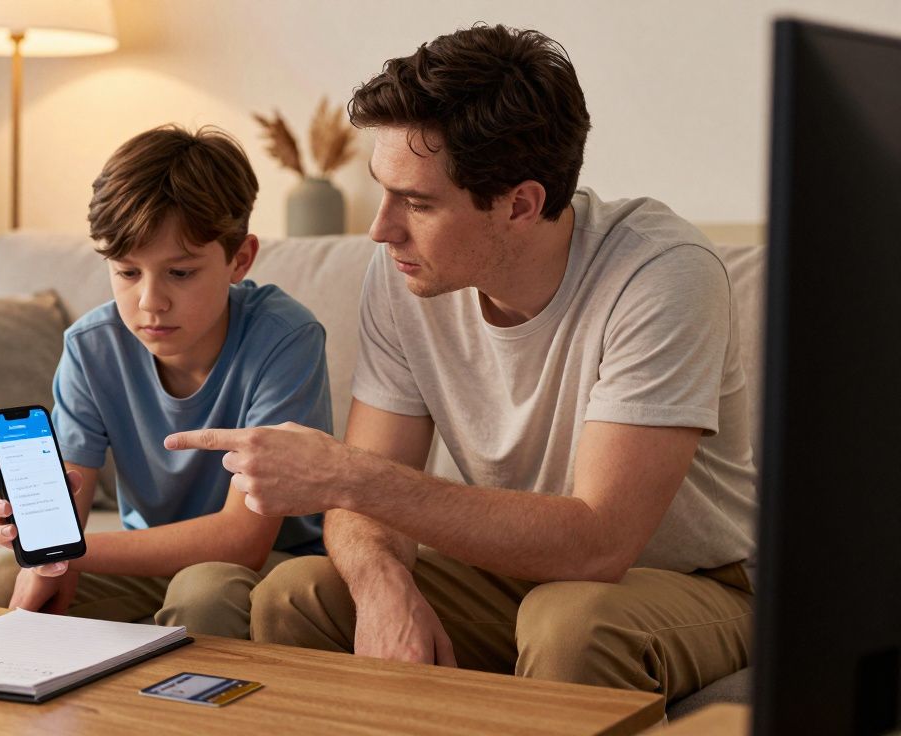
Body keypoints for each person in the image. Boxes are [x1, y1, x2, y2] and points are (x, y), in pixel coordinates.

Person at [165, 25, 757, 704]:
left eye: (417, 203)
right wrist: (383, 584)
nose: (380, 229)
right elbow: (362, 508)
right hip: (503, 572)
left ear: (520, 204)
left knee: (571, 622)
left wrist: (350, 476)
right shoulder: (403, 274)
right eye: (383, 191)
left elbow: (598, 544)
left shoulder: (660, 274)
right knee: (299, 593)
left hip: (689, 583)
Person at [0, 125, 331, 639]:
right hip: (147, 559)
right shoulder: (92, 347)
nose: (150, 302)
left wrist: (64, 553)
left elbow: (243, 540)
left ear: (240, 258)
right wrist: (37, 533)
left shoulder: (285, 338)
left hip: (269, 563)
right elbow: (68, 514)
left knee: (203, 592)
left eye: (180, 273)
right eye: (128, 273)